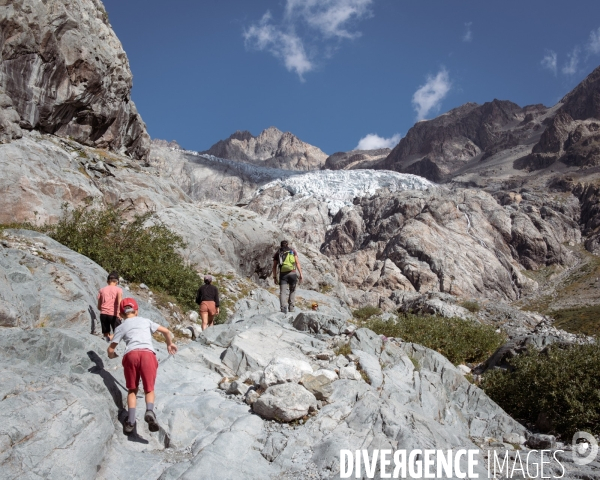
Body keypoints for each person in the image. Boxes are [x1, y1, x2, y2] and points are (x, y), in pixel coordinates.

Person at [107, 298, 177, 435]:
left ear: (121, 315)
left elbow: (111, 349)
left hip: (131, 355)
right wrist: (169, 344)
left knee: (132, 390)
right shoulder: (146, 321)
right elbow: (166, 331)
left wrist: (112, 355)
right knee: (149, 389)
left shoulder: (120, 327)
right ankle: (149, 410)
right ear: (136, 311)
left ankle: (131, 422)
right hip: (148, 355)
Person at [272, 240, 303, 313]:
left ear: (281, 245)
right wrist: (301, 273)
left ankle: (283, 309)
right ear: (287, 245)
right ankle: (291, 308)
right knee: (292, 291)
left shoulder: (278, 253)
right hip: (293, 274)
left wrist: (274, 277)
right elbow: (297, 263)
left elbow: (274, 267)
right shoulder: (292, 251)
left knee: (283, 292)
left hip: (283, 275)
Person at [97, 271, 123, 342]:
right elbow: (119, 301)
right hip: (113, 314)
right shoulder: (118, 290)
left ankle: (106, 341)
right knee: (120, 332)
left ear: (107, 281)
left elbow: (99, 306)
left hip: (103, 314)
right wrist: (119, 313)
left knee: (106, 332)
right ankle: (111, 344)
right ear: (117, 282)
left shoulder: (101, 290)